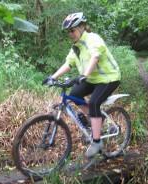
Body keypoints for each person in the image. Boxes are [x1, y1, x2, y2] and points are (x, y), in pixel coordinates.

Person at [43, 12, 121, 158]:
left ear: (82, 27)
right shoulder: (76, 46)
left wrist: (84, 75)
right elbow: (68, 64)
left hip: (109, 78)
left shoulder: (93, 39)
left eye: (72, 30)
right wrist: (52, 77)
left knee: (94, 102)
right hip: (92, 79)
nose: (70, 34)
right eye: (68, 32)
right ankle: (97, 119)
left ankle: (97, 142)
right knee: (73, 95)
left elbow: (95, 57)